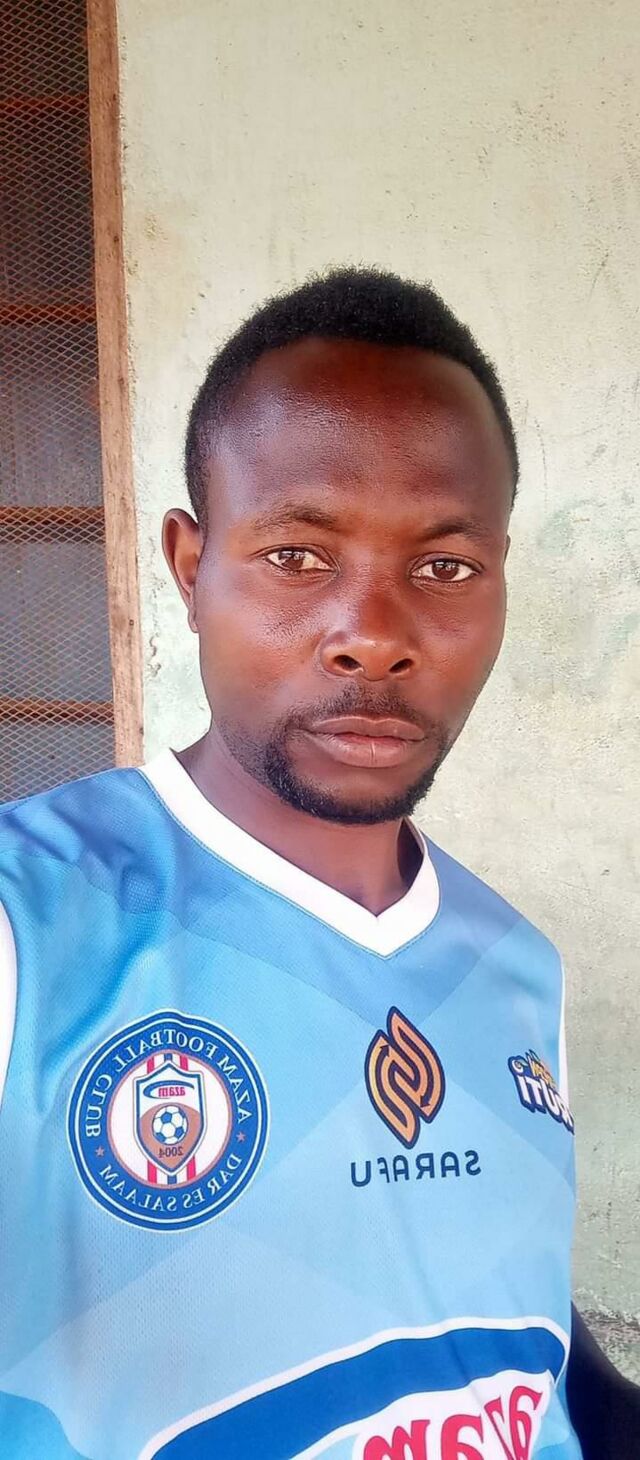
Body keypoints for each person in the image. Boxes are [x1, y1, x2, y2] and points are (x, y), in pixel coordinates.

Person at [0, 268, 637, 1460]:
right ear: (189, 565)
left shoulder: (514, 964)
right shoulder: (31, 929)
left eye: (444, 567)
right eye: (298, 554)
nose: (374, 634)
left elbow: (522, 1329)